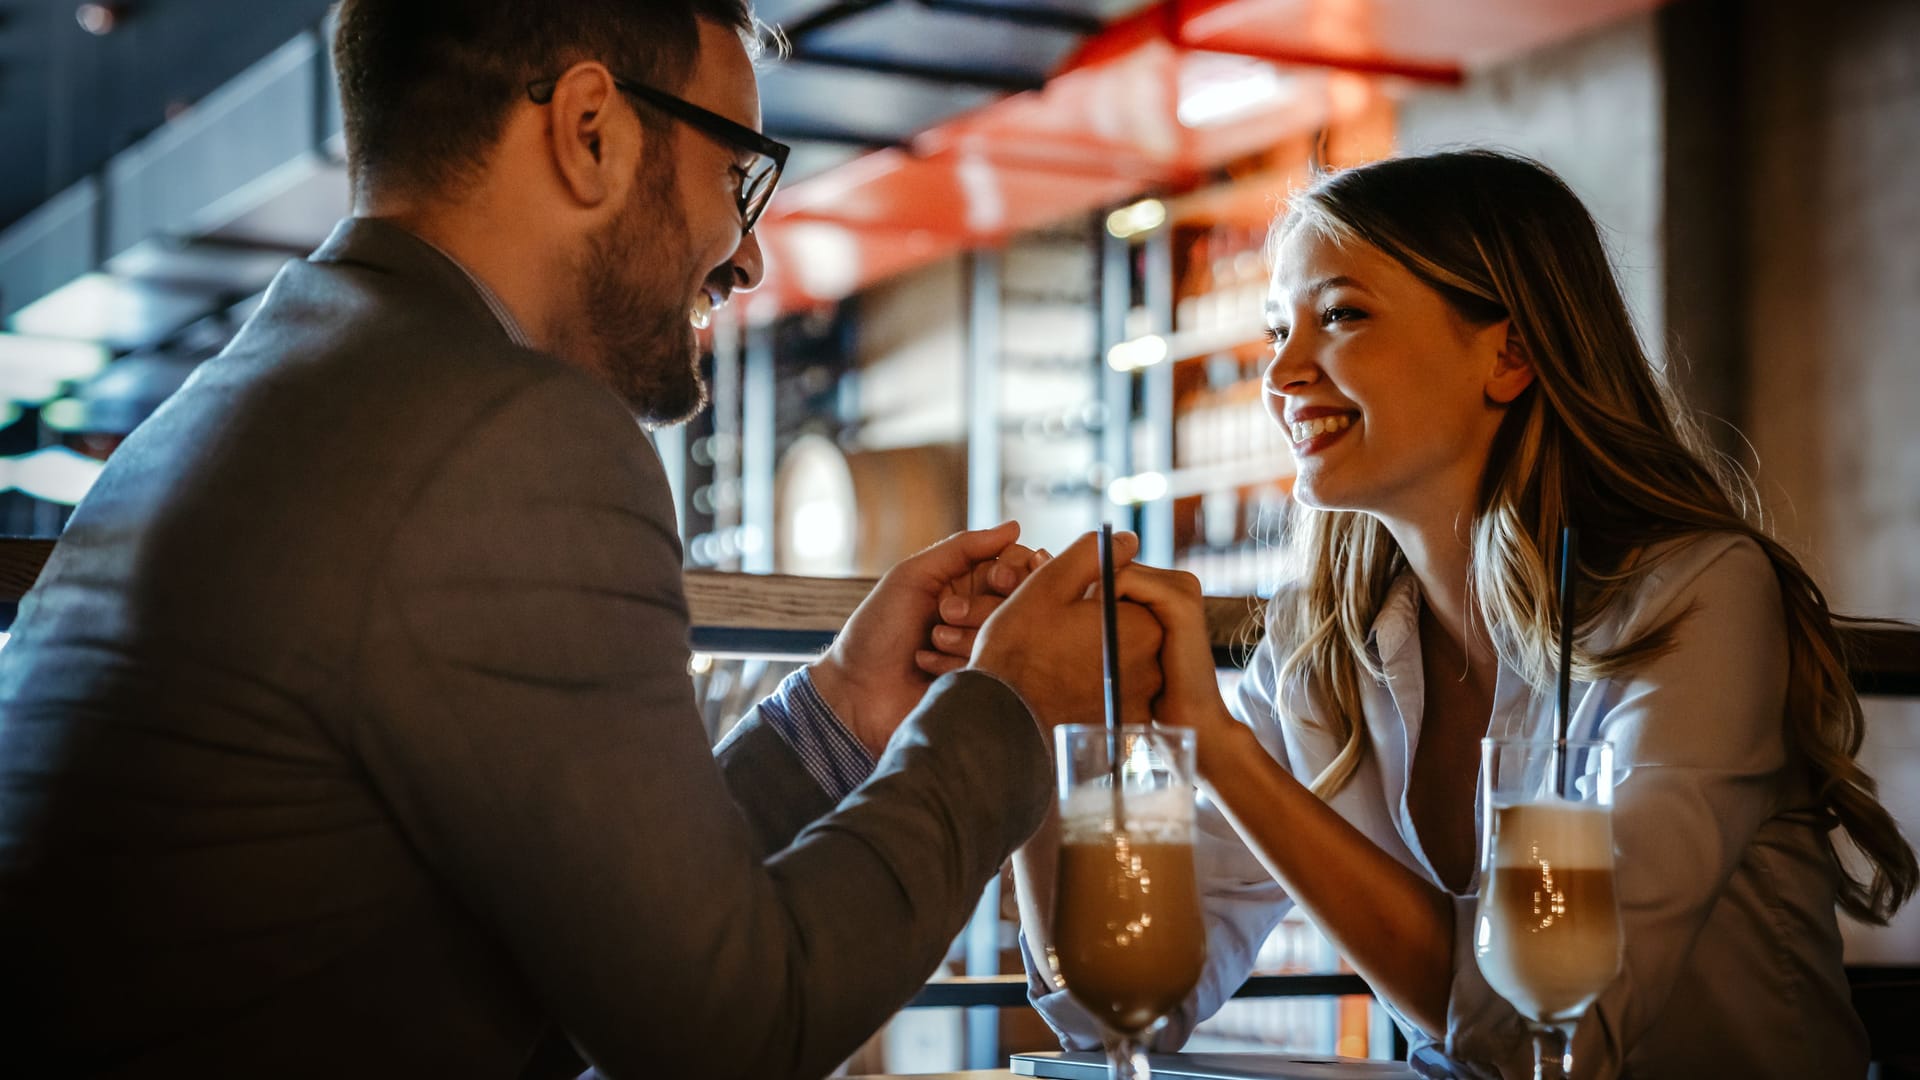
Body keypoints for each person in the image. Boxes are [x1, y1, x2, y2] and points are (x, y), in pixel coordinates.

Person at [0, 1, 1162, 1077]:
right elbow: (729, 1030)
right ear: (592, 131)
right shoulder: (508, 430)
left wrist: (849, 708)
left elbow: (618, 930)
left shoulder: (257, 397)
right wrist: (1006, 708)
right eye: (734, 174)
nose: (750, 254)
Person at [968, 150, 1918, 1078]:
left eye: (1339, 315)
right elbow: (1112, 1011)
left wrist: (1212, 743)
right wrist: (1031, 718)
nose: (1281, 373)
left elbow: (1541, 1039)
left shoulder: (1699, 595)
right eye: (1274, 332)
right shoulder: (1322, 645)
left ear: (1508, 353)